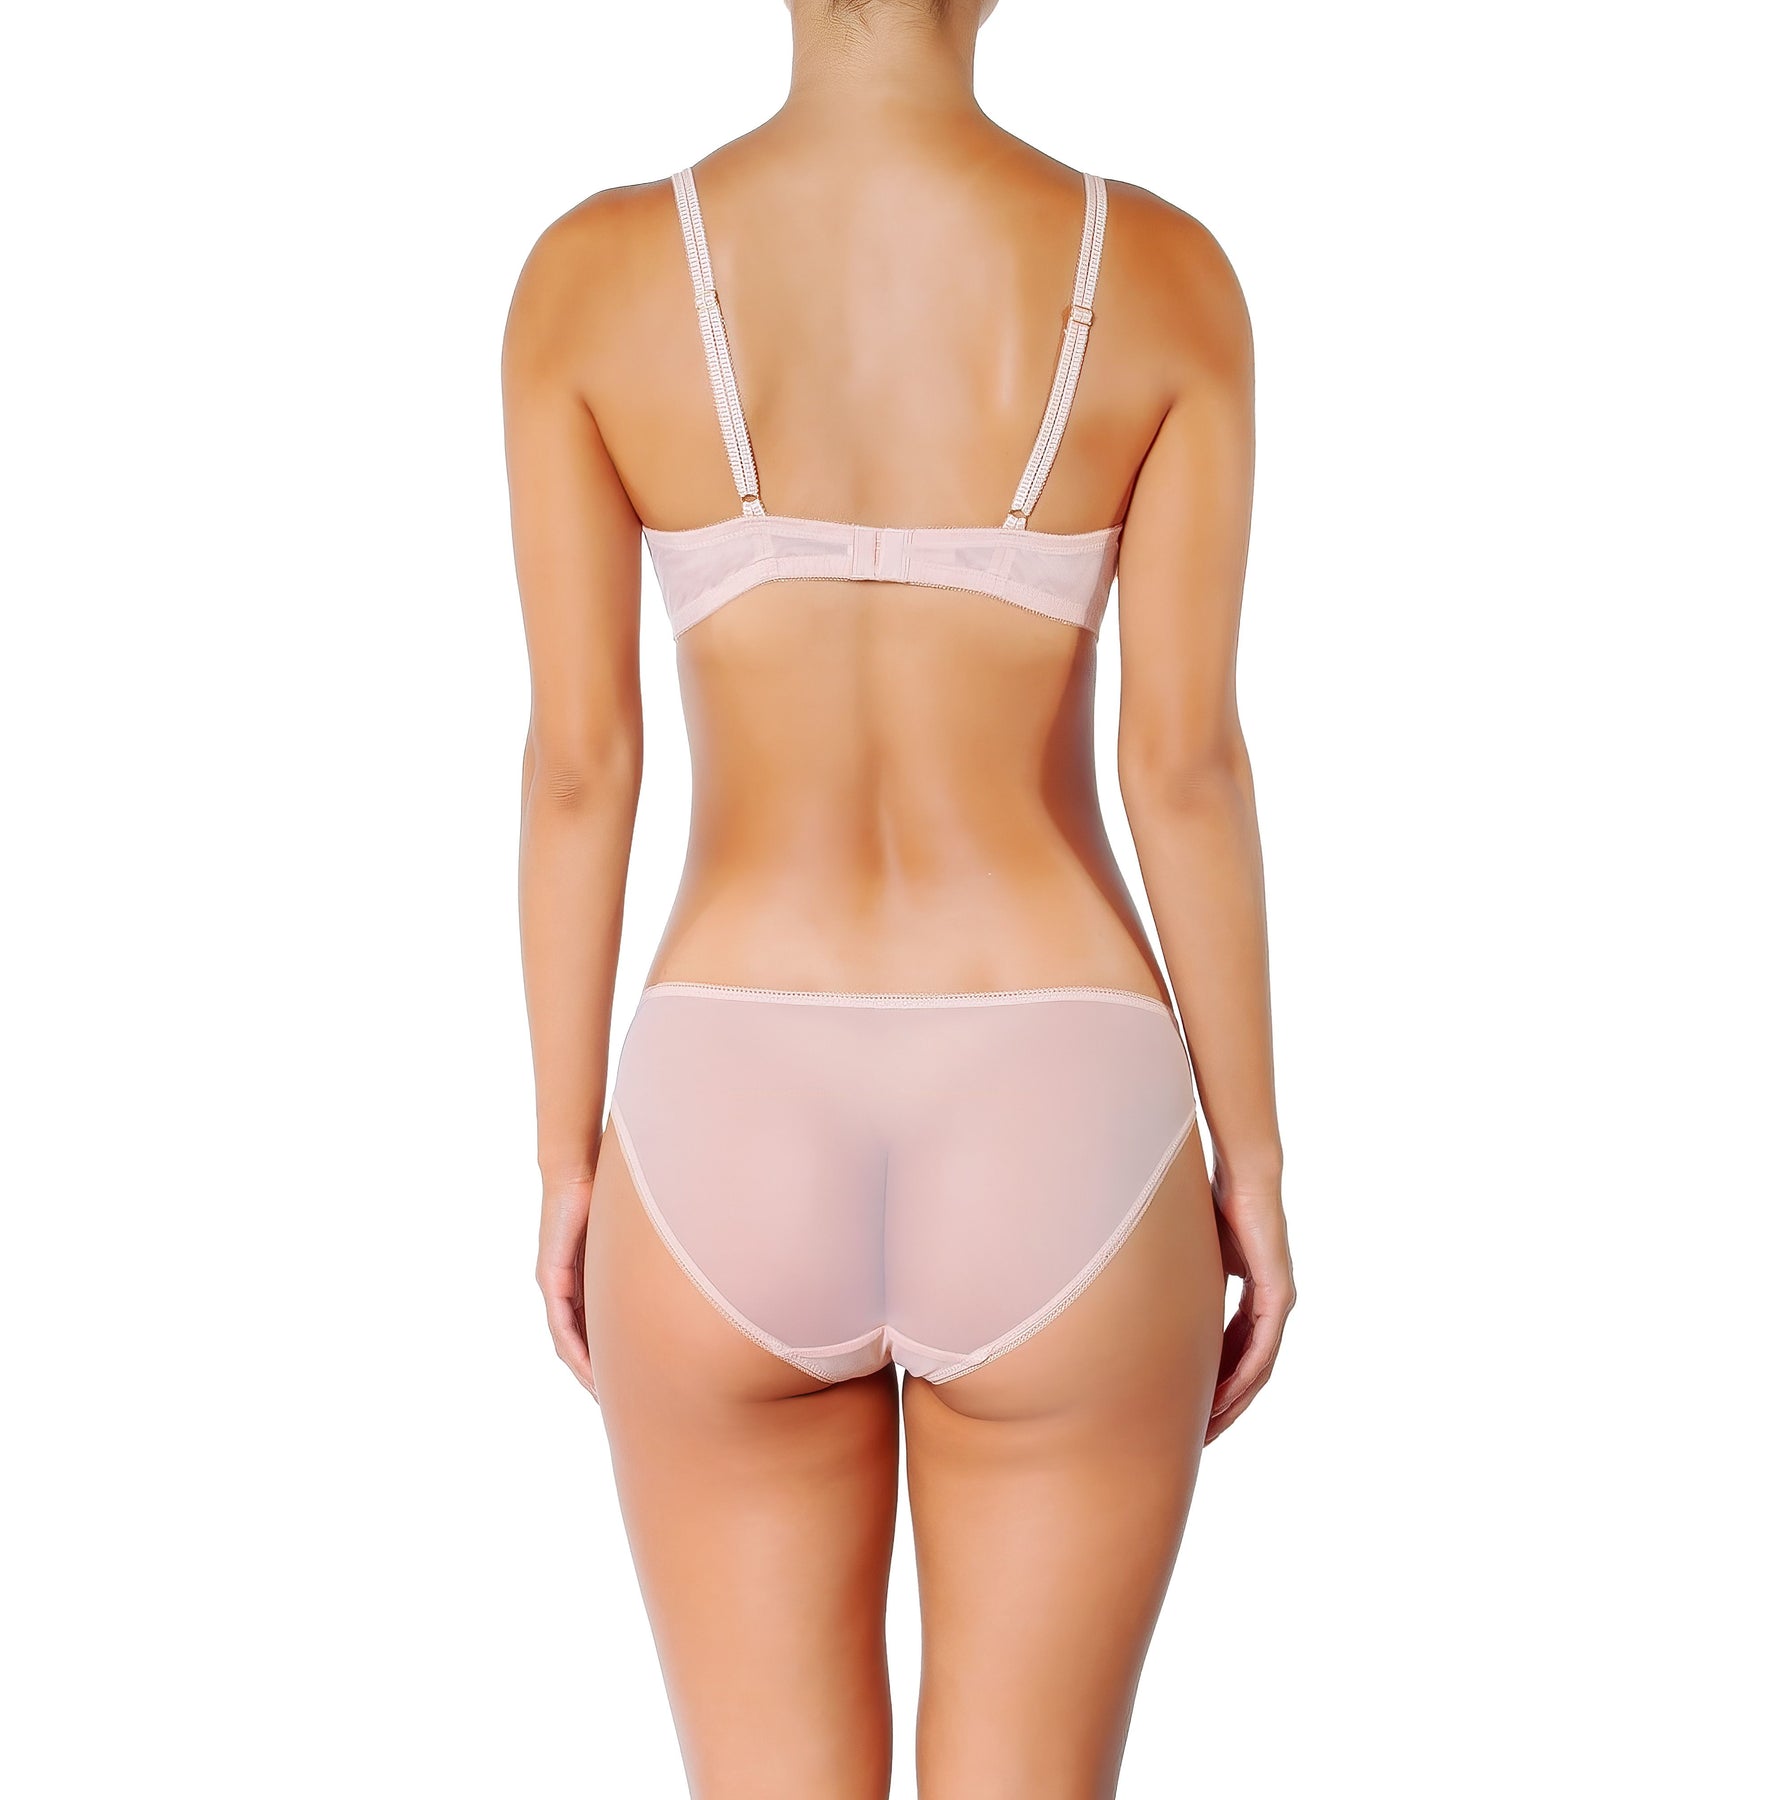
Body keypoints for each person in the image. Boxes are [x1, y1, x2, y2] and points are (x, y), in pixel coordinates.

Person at [501, 0, 1295, 1791]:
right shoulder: (1161, 274)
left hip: (725, 1106)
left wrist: (566, 1163)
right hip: (1060, 1098)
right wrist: (1250, 1163)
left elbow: (579, 768)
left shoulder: (592, 277)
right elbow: (1183, 768)